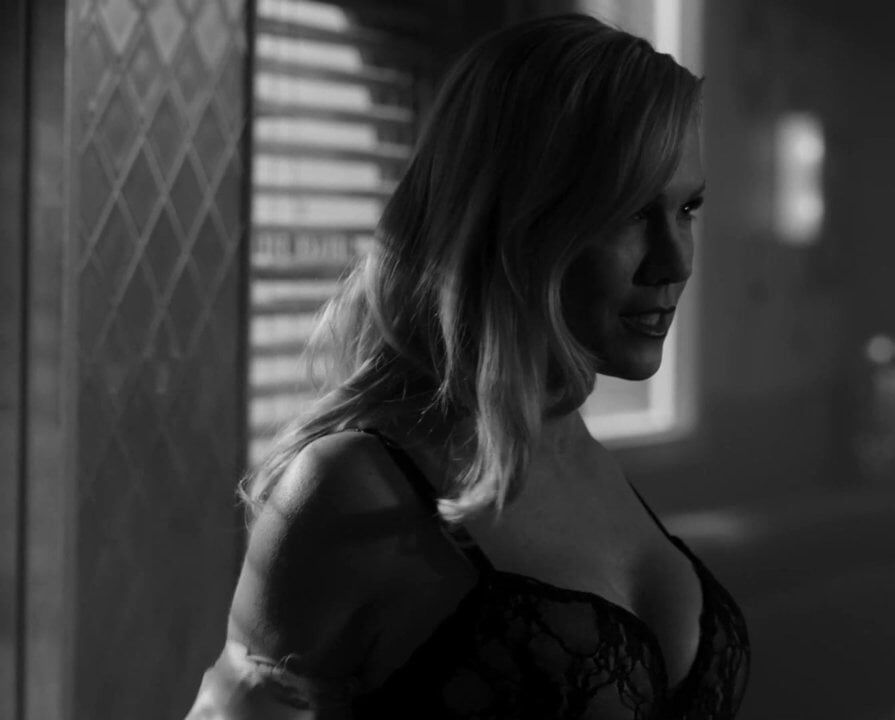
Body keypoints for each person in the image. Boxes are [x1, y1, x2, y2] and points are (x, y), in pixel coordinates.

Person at [185, 13, 749, 720]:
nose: (674, 262)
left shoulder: (581, 454)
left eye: (688, 207)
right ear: (516, 220)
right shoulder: (357, 486)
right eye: (629, 213)